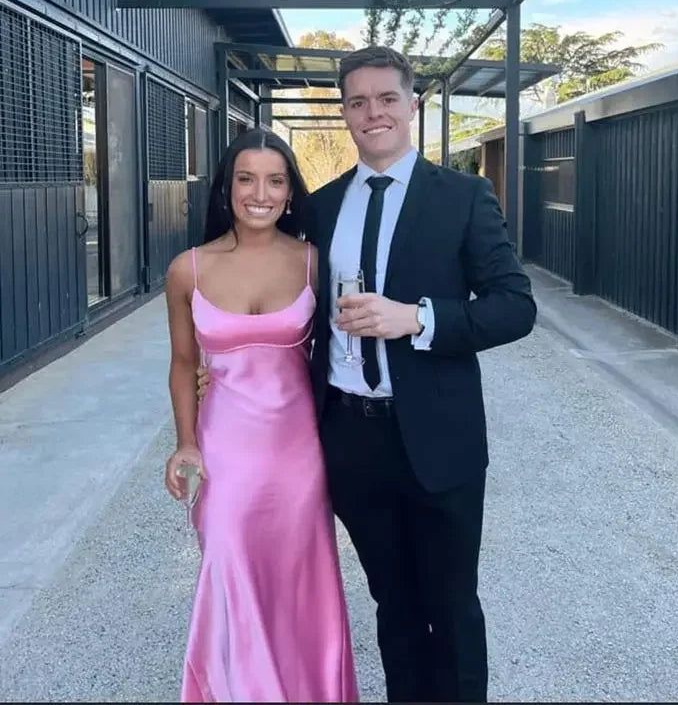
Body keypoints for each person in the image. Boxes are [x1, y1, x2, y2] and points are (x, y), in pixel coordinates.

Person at [200, 46, 536, 702]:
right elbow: (279, 303)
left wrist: (416, 318)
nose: (372, 113)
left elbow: (515, 307)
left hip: (440, 439)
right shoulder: (318, 210)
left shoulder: (464, 197)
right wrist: (228, 368)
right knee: (393, 601)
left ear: (413, 105)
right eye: (358, 102)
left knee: (452, 603)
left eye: (386, 99)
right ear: (345, 114)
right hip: (350, 441)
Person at [164, 128, 358, 703]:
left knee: (300, 586)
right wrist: (185, 443)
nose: (260, 193)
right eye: (246, 179)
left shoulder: (313, 264)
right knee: (228, 576)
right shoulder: (187, 270)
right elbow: (181, 364)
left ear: (291, 192)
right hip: (223, 451)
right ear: (225, 188)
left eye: (275, 181)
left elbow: (343, 353)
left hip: (299, 455)